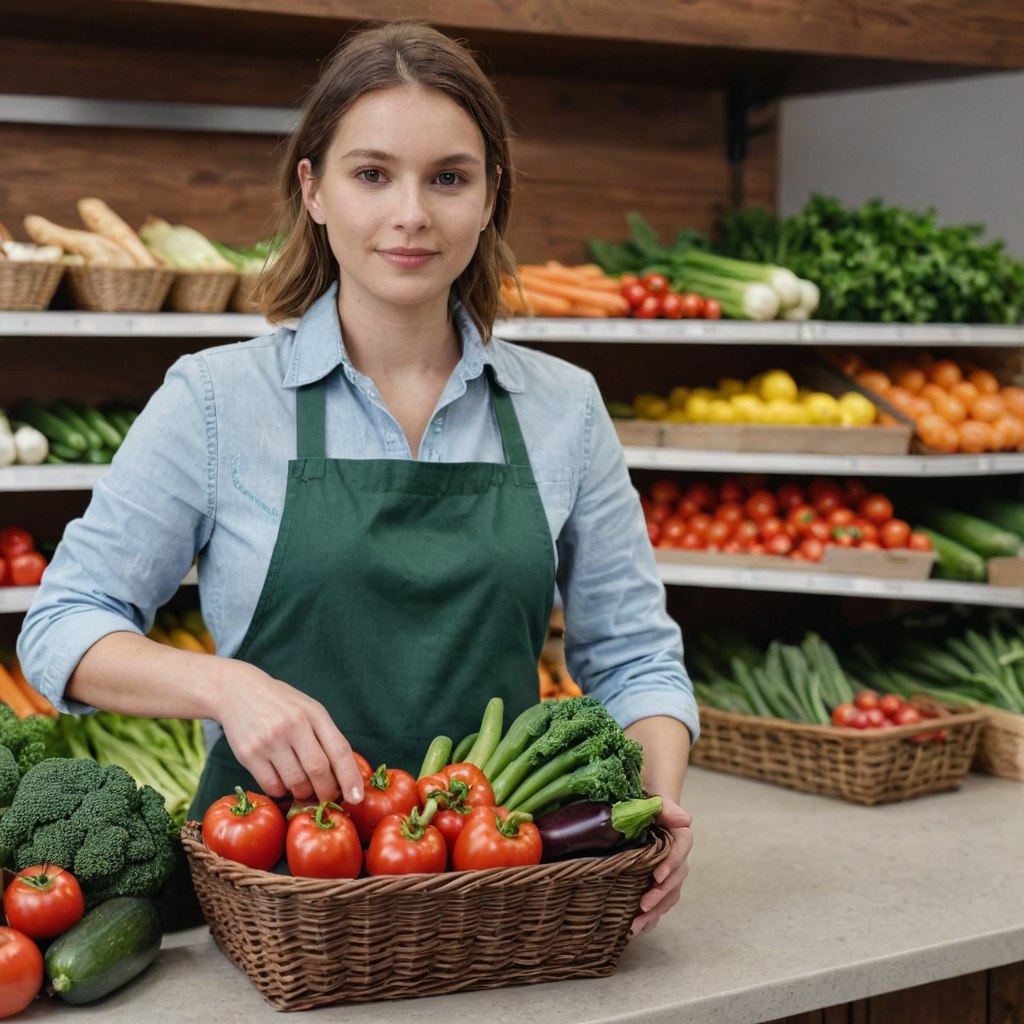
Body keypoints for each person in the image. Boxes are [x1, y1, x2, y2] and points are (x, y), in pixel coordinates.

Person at [17, 19, 697, 935]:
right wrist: (226, 687)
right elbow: (63, 625)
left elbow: (635, 658)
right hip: (278, 895)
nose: (411, 214)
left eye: (449, 177)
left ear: (491, 195)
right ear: (315, 190)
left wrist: (649, 811)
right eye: (371, 174)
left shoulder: (564, 408)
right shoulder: (216, 399)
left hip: (500, 891)